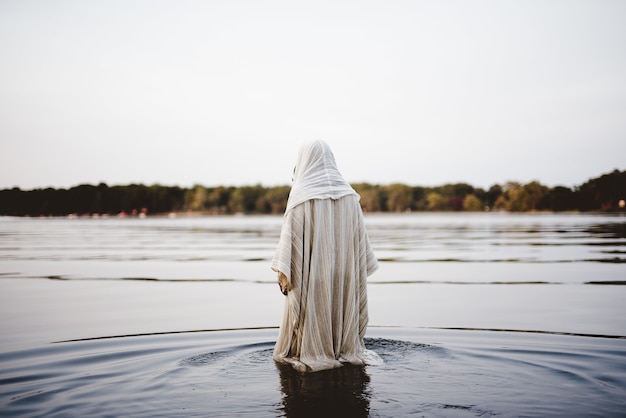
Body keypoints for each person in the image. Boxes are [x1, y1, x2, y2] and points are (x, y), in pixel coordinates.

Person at [271, 140, 379, 372]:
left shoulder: (300, 197)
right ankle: (344, 353)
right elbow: (363, 254)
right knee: (345, 350)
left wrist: (283, 278)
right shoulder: (350, 197)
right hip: (345, 280)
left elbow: (289, 252)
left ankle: (314, 359)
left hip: (312, 280)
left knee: (300, 348)